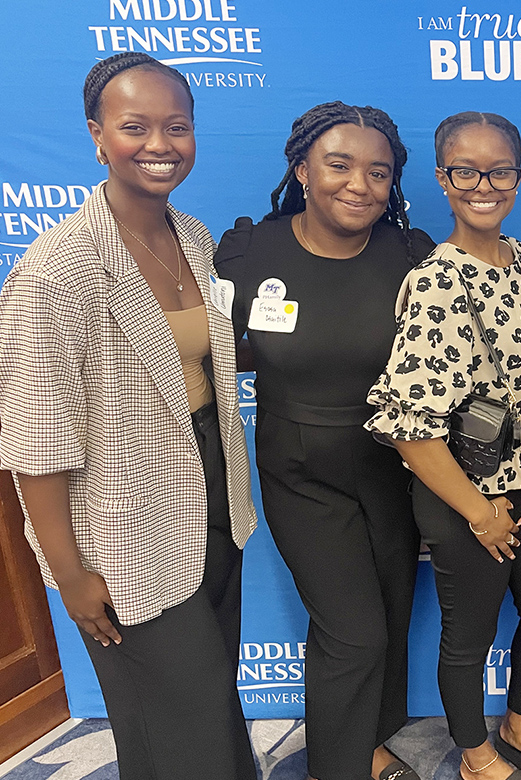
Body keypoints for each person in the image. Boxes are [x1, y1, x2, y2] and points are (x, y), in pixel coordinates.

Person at [0, 52, 258, 780]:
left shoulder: (195, 236)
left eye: (177, 126)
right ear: (96, 134)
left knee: (202, 701)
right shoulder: (57, 270)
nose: (159, 144)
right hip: (121, 526)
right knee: (182, 710)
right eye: (134, 125)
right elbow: (35, 440)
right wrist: (69, 572)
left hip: (212, 497)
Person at [213, 101, 434, 780]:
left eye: (378, 171)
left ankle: (366, 743)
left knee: (391, 614)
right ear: (304, 168)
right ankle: (335, 768)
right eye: (339, 165)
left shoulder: (412, 253)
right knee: (353, 631)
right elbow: (217, 348)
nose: (359, 184)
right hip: (299, 467)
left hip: (393, 464)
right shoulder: (249, 249)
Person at [366, 111, 521, 780]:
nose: (484, 184)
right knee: (469, 637)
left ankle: (516, 722)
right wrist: (481, 513)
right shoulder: (434, 282)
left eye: (500, 170)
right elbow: (408, 427)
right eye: (466, 170)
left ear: (517, 176)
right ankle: (476, 756)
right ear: (441, 178)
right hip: (463, 500)